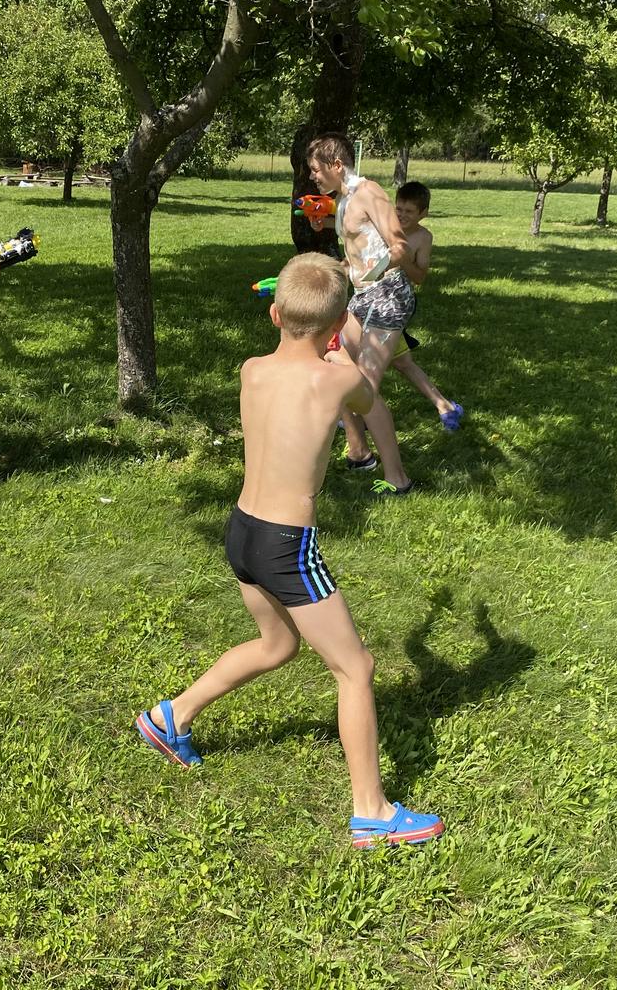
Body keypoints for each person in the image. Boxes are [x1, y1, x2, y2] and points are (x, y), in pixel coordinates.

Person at [135, 253, 444, 849]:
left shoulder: (251, 370)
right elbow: (365, 397)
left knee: (276, 645)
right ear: (337, 326)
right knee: (356, 668)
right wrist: (343, 346)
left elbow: (299, 350)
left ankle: (171, 716)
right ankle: (372, 811)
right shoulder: (338, 379)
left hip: (242, 532)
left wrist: (318, 324)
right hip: (287, 546)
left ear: (274, 314)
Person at [305, 133, 414, 494]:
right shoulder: (343, 199)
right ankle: (359, 451)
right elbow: (356, 250)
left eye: (316, 169)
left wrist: (378, 268)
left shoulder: (369, 192)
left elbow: (399, 245)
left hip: (389, 295)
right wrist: (333, 270)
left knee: (363, 387)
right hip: (363, 296)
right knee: (332, 365)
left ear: (337, 165)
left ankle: (397, 479)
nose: (312, 177)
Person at [340, 182, 462, 463]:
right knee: (403, 362)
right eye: (399, 209)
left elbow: (420, 277)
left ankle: (358, 421)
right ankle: (444, 406)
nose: (402, 215)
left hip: (391, 307)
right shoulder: (382, 227)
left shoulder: (423, 237)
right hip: (369, 303)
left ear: (423, 213)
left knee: (368, 367)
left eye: (410, 211)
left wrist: (402, 258)